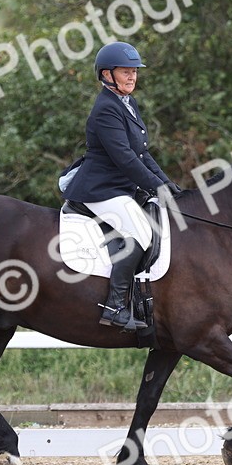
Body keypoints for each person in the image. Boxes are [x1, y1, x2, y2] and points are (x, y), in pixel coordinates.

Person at [62, 42, 181, 330]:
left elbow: (142, 153)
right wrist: (156, 187)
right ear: (107, 74)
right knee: (141, 231)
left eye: (134, 71)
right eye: (126, 71)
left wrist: (166, 183)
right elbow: (125, 159)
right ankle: (115, 307)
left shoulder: (127, 103)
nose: (132, 76)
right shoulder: (106, 109)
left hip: (119, 187)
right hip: (100, 188)